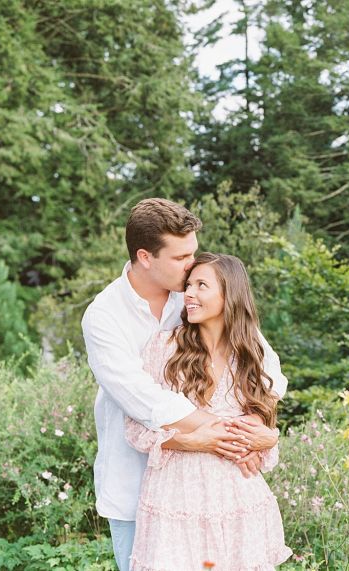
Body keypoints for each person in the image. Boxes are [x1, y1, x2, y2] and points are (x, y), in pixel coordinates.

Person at [81, 198, 287, 571]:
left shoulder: (193, 293)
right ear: (145, 257)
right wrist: (223, 436)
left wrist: (259, 429)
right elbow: (143, 400)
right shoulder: (104, 317)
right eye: (181, 257)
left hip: (222, 490)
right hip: (138, 483)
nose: (191, 264)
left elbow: (266, 368)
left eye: (192, 253)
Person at [125, 252, 292, 570]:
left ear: (230, 294)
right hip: (175, 499)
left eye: (202, 285)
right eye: (188, 285)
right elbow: (134, 427)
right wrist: (189, 441)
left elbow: (264, 426)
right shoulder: (165, 348)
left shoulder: (252, 355)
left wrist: (266, 440)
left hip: (238, 501)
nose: (189, 293)